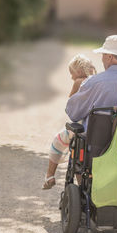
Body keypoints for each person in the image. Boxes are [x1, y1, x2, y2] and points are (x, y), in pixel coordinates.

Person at [42, 54, 97, 190]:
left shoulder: (79, 82)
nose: (71, 77)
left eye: (71, 73)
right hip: (99, 129)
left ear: (78, 71)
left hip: (84, 128)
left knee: (58, 140)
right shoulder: (98, 81)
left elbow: (71, 103)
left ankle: (50, 175)